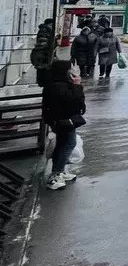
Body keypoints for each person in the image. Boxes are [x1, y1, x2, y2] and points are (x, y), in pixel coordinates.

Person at [41, 59, 85, 190]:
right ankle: (55, 175)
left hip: (64, 120)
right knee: (67, 144)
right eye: (70, 70)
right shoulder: (57, 87)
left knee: (65, 143)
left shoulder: (58, 84)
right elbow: (73, 101)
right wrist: (77, 85)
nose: (73, 72)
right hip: (63, 120)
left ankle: (60, 170)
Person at [30, 18, 56, 86]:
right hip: (43, 53)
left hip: (44, 53)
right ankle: (42, 83)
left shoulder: (46, 30)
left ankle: (43, 82)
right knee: (43, 68)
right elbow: (42, 43)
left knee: (42, 69)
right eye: (52, 24)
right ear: (50, 24)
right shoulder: (45, 30)